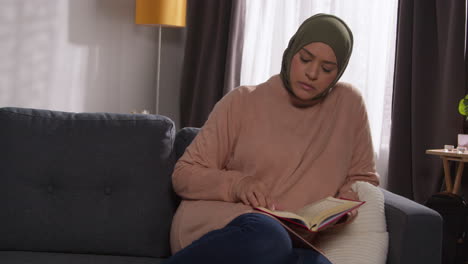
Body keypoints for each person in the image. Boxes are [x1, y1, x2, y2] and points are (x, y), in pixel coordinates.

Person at [165, 13, 379, 264]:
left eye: (326, 69)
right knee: (269, 237)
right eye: (305, 59)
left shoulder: (349, 106)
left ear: (338, 72)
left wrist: (341, 210)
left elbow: (363, 181)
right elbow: (183, 175)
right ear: (290, 53)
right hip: (226, 227)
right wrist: (238, 184)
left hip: (292, 239)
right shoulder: (241, 101)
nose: (312, 73)